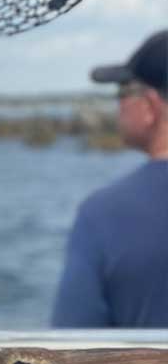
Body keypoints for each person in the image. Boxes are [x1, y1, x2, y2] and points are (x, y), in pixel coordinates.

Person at [51, 29, 168, 328]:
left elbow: (72, 350)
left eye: (123, 93)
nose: (119, 104)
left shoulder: (102, 215)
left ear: (150, 106)